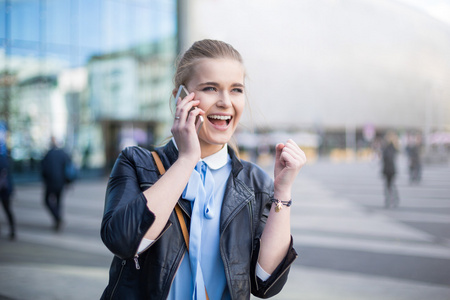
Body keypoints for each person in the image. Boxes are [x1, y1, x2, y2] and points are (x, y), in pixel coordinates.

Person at [100, 39, 307, 299]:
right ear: (180, 97)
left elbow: (266, 283)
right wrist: (187, 159)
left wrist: (283, 191)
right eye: (211, 88)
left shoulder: (254, 182)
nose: (225, 102)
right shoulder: (136, 163)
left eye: (236, 90)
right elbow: (124, 242)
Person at [41, 137, 71, 231]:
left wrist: (45, 179)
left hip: (51, 182)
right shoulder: (63, 153)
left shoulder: (48, 154)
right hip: (61, 182)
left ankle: (57, 218)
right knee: (58, 202)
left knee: (46, 200)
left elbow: (43, 169)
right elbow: (68, 167)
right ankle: (57, 219)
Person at [0, 122, 15, 240]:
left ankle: (13, 230)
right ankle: (13, 230)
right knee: (8, 210)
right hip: (5, 190)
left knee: (7, 210)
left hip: (4, 190)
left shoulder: (3, 158)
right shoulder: (5, 158)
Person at [381, 132, 399, 208]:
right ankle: (393, 199)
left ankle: (391, 200)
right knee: (390, 185)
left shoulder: (389, 148)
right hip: (390, 169)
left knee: (389, 185)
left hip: (389, 169)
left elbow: (387, 159)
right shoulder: (393, 148)